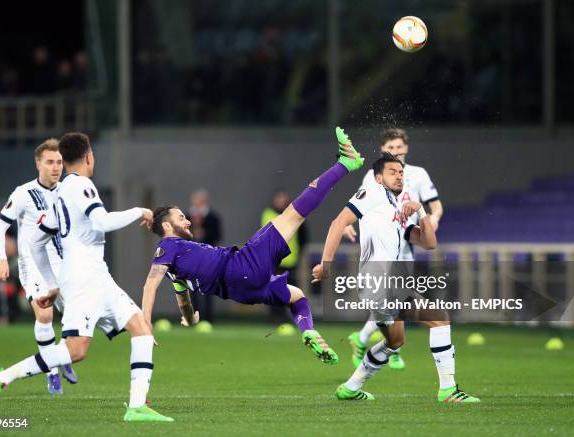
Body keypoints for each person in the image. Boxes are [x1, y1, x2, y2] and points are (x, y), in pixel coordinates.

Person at [0, 132, 172, 422]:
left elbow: (34, 242)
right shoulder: (81, 186)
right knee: (75, 350)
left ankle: (136, 406)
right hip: (83, 279)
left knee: (141, 329)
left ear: (64, 160)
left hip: (95, 275)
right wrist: (139, 211)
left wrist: (53, 285)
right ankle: (0, 378)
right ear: (89, 156)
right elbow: (101, 222)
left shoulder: (58, 194)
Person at [141, 127, 365, 365]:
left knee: (298, 297)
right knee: (294, 213)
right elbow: (150, 284)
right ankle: (345, 163)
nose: (187, 220)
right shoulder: (168, 247)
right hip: (240, 267)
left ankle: (308, 331)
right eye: (180, 217)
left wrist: (190, 319)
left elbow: (184, 302)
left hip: (242, 291)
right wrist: (145, 323)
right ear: (166, 226)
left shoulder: (176, 270)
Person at [312, 152, 479, 403]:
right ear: (379, 178)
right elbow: (338, 223)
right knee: (440, 320)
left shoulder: (397, 210)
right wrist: (326, 265)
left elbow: (429, 243)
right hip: (381, 279)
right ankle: (448, 390)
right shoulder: (372, 192)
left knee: (395, 341)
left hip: (378, 285)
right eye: (392, 172)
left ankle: (350, 387)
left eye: (401, 173)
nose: (399, 176)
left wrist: (420, 211)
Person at [343, 128, 443, 370]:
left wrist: (430, 221)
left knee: (395, 298)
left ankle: (368, 339)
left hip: (409, 238)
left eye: (399, 147)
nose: (396, 152)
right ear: (383, 151)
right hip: (387, 240)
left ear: (406, 148)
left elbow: (436, 206)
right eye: (391, 148)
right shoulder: (373, 175)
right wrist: (347, 223)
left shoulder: (418, 174)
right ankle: (391, 347)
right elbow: (360, 203)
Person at [0, 138, 76, 394]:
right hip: (33, 265)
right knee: (45, 314)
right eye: (50, 161)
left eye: (59, 162)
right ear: (38, 163)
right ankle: (51, 372)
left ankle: (60, 357)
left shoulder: (68, 191)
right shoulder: (22, 193)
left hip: (64, 264)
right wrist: (2, 258)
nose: (56, 167)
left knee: (75, 318)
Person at [261, 190, 308, 321]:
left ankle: (294, 319)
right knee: (274, 289)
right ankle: (276, 319)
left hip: (291, 260)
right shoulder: (268, 213)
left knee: (291, 291)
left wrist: (300, 252)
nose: (281, 201)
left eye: (283, 198)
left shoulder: (295, 213)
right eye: (279, 198)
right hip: (274, 260)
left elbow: (303, 236)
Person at [188, 189, 222, 322]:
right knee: (192, 288)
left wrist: (204, 235)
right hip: (191, 258)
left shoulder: (213, 217)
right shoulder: (186, 217)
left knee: (208, 288)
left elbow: (218, 236)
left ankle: (208, 319)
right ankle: (193, 317)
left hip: (208, 258)